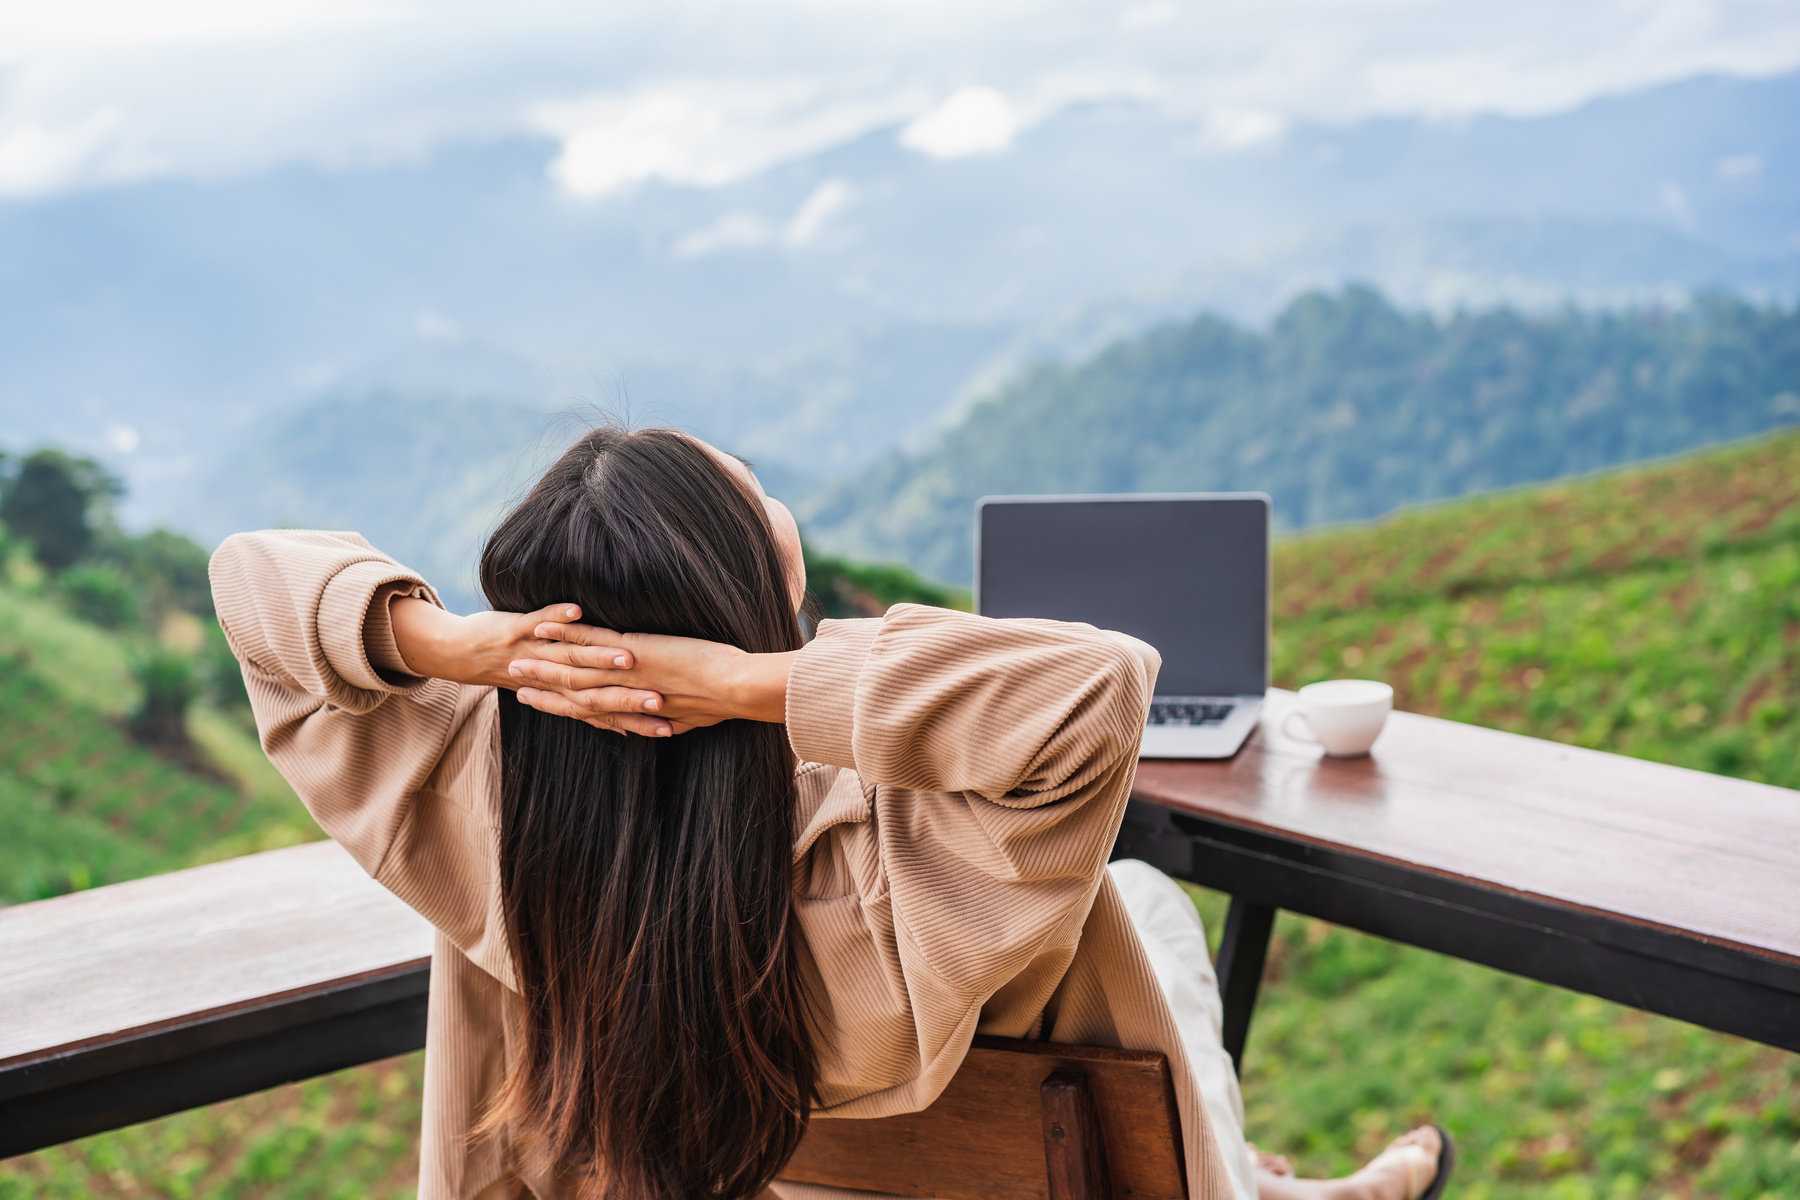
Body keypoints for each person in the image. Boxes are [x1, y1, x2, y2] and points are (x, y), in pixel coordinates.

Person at [210, 425, 1452, 1200]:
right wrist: (754, 685)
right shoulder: (895, 856)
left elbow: (252, 581)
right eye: (750, 491)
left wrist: (452, 647)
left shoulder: (477, 816)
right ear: (758, 577)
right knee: (1145, 906)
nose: (768, 490)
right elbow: (1099, 683)